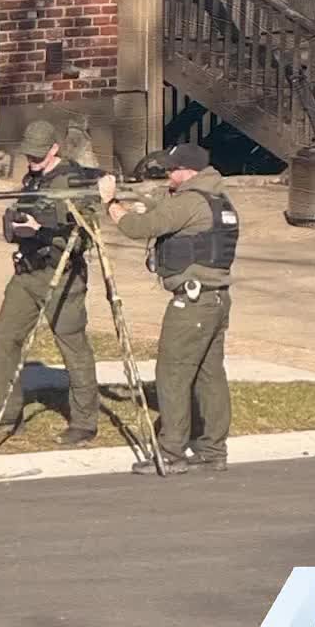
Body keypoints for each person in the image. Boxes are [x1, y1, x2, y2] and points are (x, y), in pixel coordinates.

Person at [98, 143, 239, 474]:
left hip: (192, 302)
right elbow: (163, 212)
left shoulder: (190, 201)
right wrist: (144, 200)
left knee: (172, 372)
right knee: (209, 375)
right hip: (216, 299)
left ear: (187, 171)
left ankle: (172, 451)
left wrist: (111, 203)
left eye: (172, 170)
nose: (167, 174)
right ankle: (212, 449)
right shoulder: (218, 199)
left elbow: (139, 229)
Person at [0, 120, 100, 446]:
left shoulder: (73, 179)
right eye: (29, 155)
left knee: (72, 346)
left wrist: (41, 227)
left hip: (62, 274)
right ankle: (6, 412)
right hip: (27, 273)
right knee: (5, 337)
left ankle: (84, 422)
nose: (32, 161)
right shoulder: (31, 178)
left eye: (38, 156)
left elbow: (85, 231)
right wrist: (16, 226)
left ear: (54, 149)